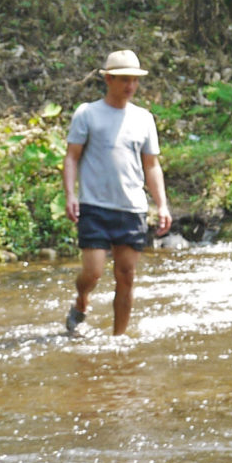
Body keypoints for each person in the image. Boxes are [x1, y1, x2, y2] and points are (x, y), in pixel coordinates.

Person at [64, 50, 173, 337]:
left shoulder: (143, 119)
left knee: (126, 276)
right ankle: (81, 301)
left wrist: (161, 205)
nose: (130, 87)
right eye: (124, 80)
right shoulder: (87, 114)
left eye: (135, 81)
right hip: (94, 206)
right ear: (108, 79)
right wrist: (70, 195)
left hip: (132, 208)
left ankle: (118, 338)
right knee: (93, 272)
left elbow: (151, 165)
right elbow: (72, 157)